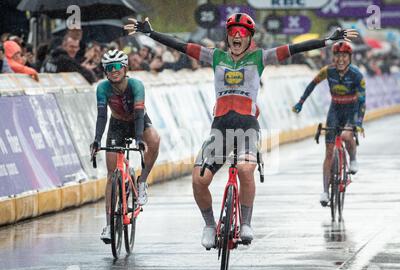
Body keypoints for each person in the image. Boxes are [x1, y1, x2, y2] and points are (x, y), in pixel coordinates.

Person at [125, 14, 357, 249]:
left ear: (249, 38)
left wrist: (327, 41)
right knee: (198, 179)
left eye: (243, 33)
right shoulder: (215, 56)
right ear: (227, 36)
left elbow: (293, 48)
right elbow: (182, 46)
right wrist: (150, 33)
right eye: (233, 32)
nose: (237, 36)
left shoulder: (260, 57)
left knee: (246, 169)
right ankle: (209, 225)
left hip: (247, 126)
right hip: (220, 128)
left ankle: (246, 223)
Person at [90, 49, 160, 243]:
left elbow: (139, 115)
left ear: (125, 68)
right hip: (117, 124)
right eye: (109, 68)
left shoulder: (136, 85)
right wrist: (97, 139)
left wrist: (139, 139)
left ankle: (142, 181)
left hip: (138, 122)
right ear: (105, 71)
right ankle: (108, 225)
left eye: (117, 67)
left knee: (154, 139)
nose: (114, 71)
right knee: (112, 175)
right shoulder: (102, 88)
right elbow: (102, 116)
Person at [292, 41, 366, 207]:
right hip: (335, 109)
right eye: (337, 55)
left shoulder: (357, 75)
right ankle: (325, 191)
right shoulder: (328, 71)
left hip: (351, 110)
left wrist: (359, 122)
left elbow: (362, 101)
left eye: (344, 56)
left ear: (350, 58)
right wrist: (301, 102)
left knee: (347, 135)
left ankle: (353, 158)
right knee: (328, 152)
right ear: (333, 57)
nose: (340, 59)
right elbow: (312, 84)